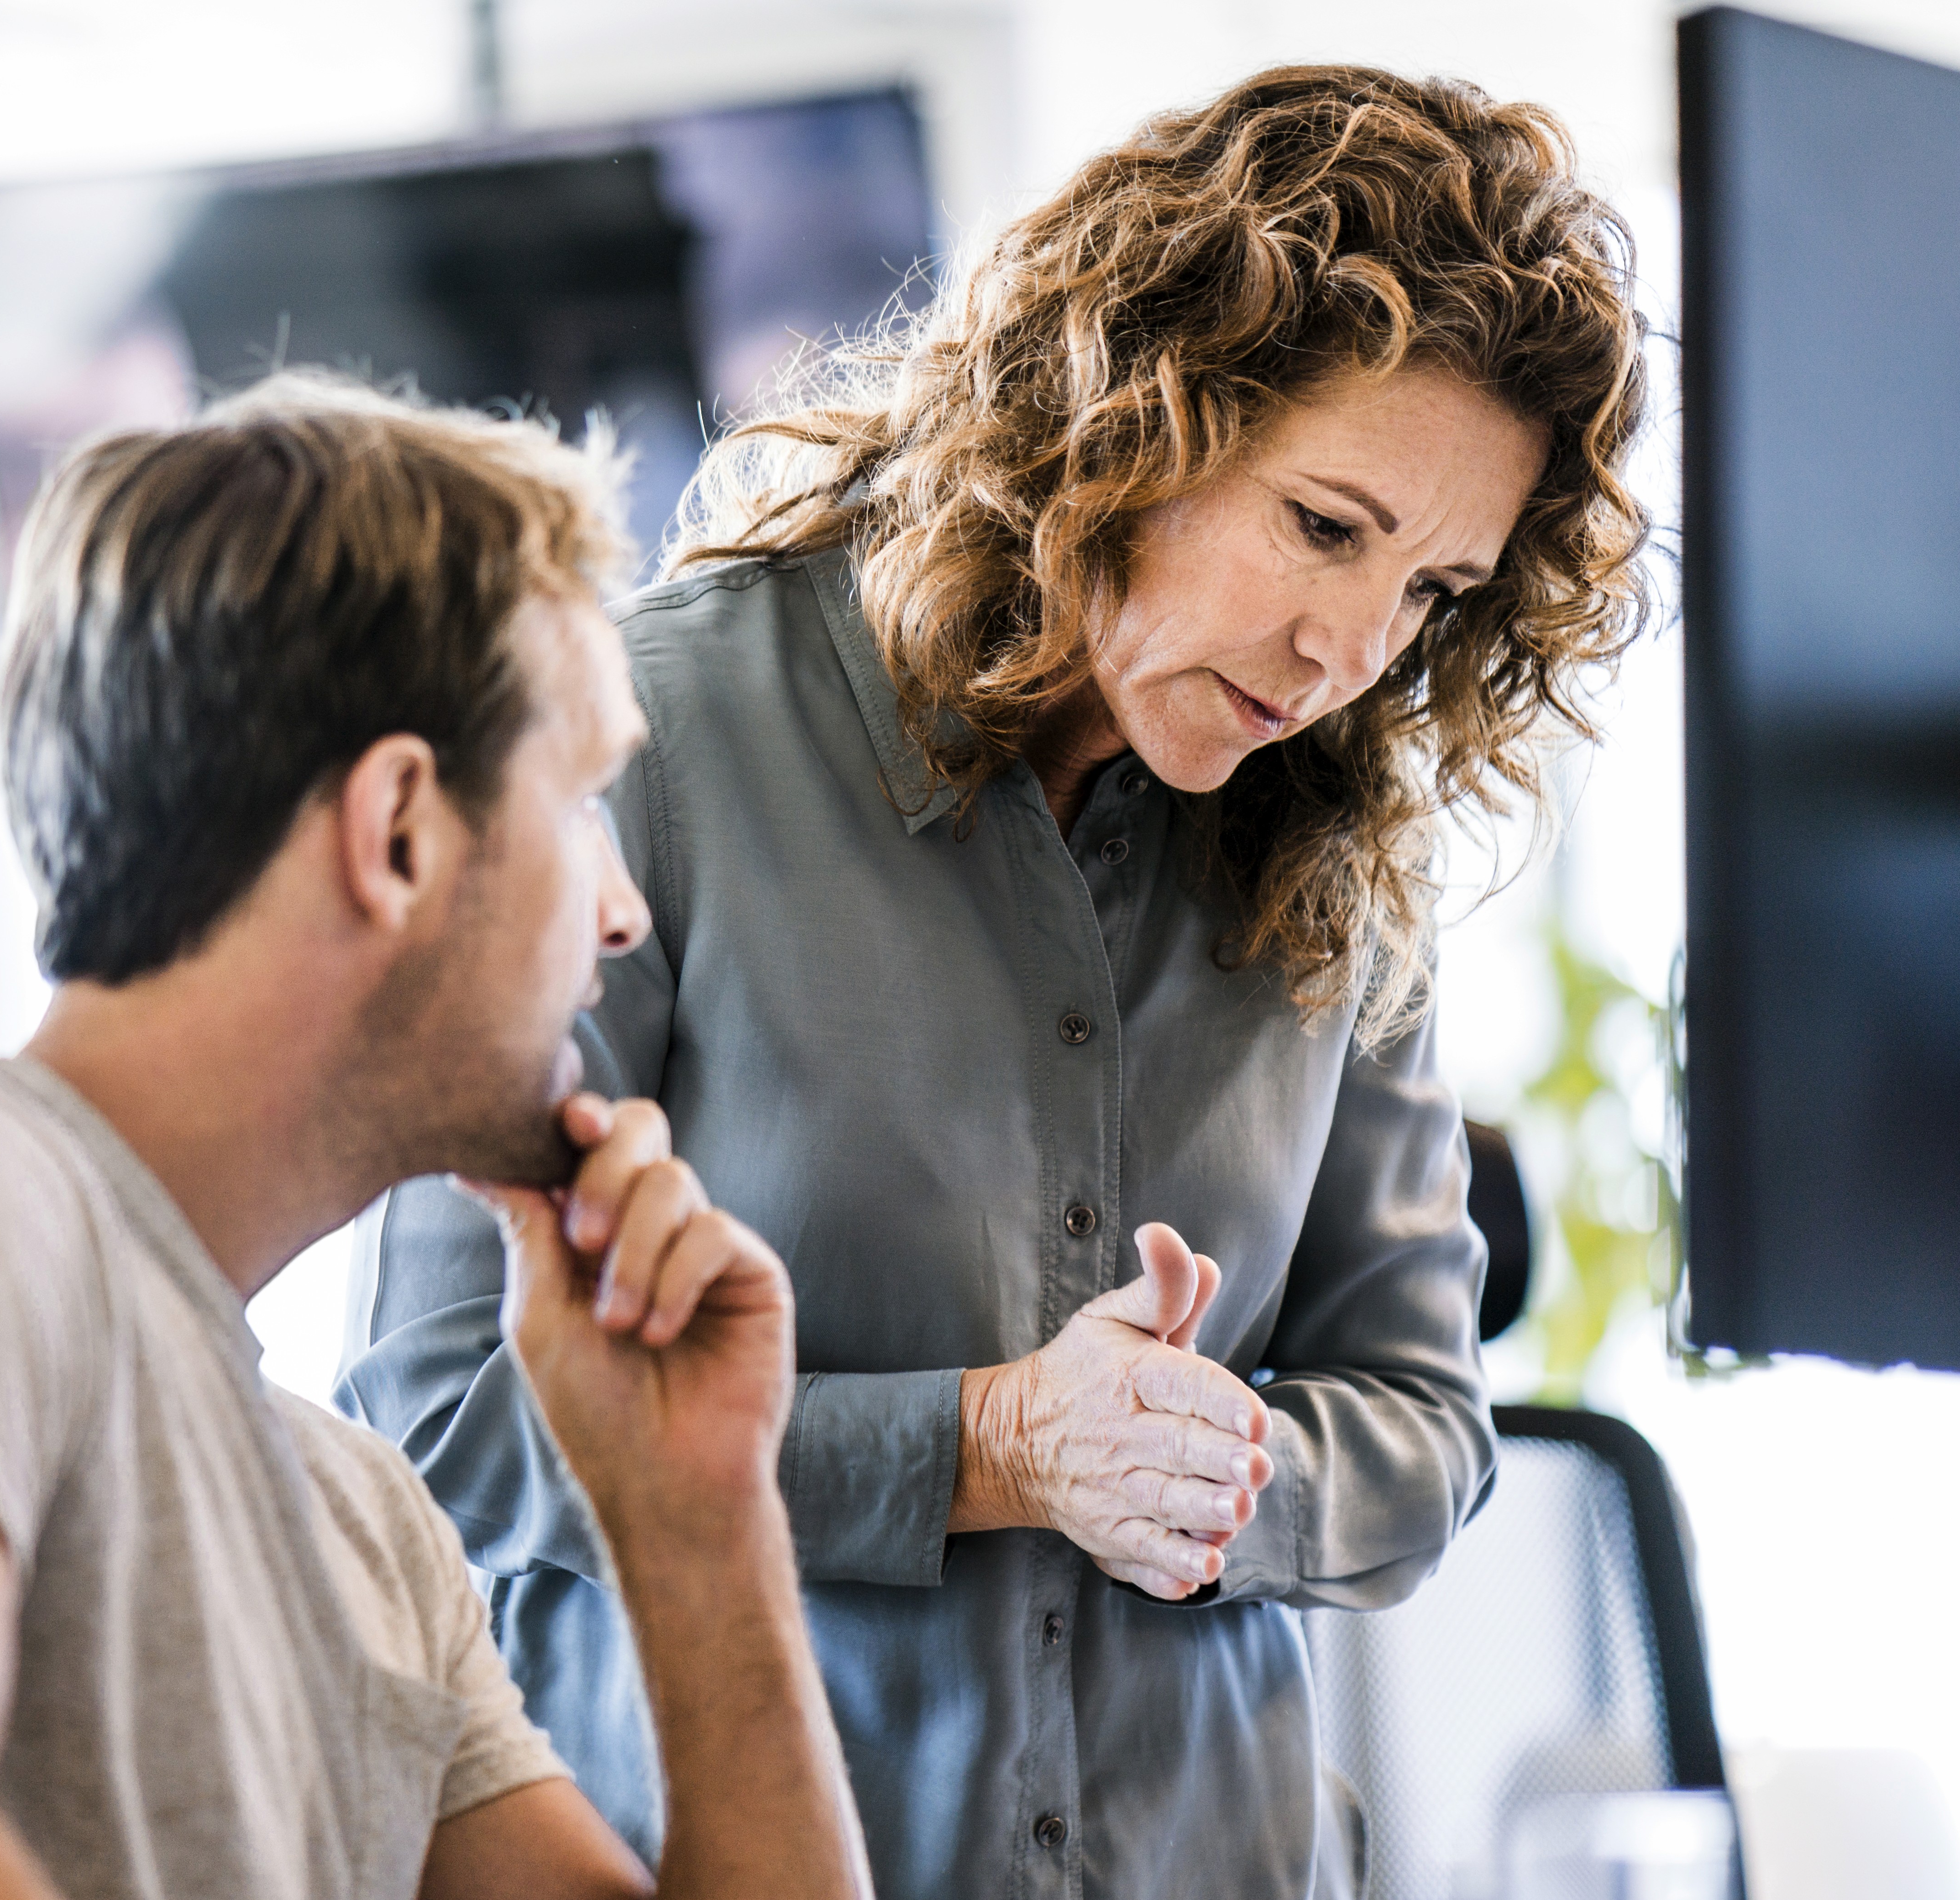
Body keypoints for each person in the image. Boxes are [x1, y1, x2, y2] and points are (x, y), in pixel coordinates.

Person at [343, 64, 1651, 1900]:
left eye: (1432, 592)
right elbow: (436, 1410)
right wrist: (990, 1450)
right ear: (1130, 414)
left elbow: (1426, 1435)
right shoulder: (650, 744)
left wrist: (1214, 1468)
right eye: (1325, 527)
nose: (1351, 650)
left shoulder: (1340, 854)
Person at [0, 377, 875, 1900]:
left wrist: (698, 1520)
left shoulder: (365, 1527)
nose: (622, 909)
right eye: (583, 795)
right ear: (398, 828)